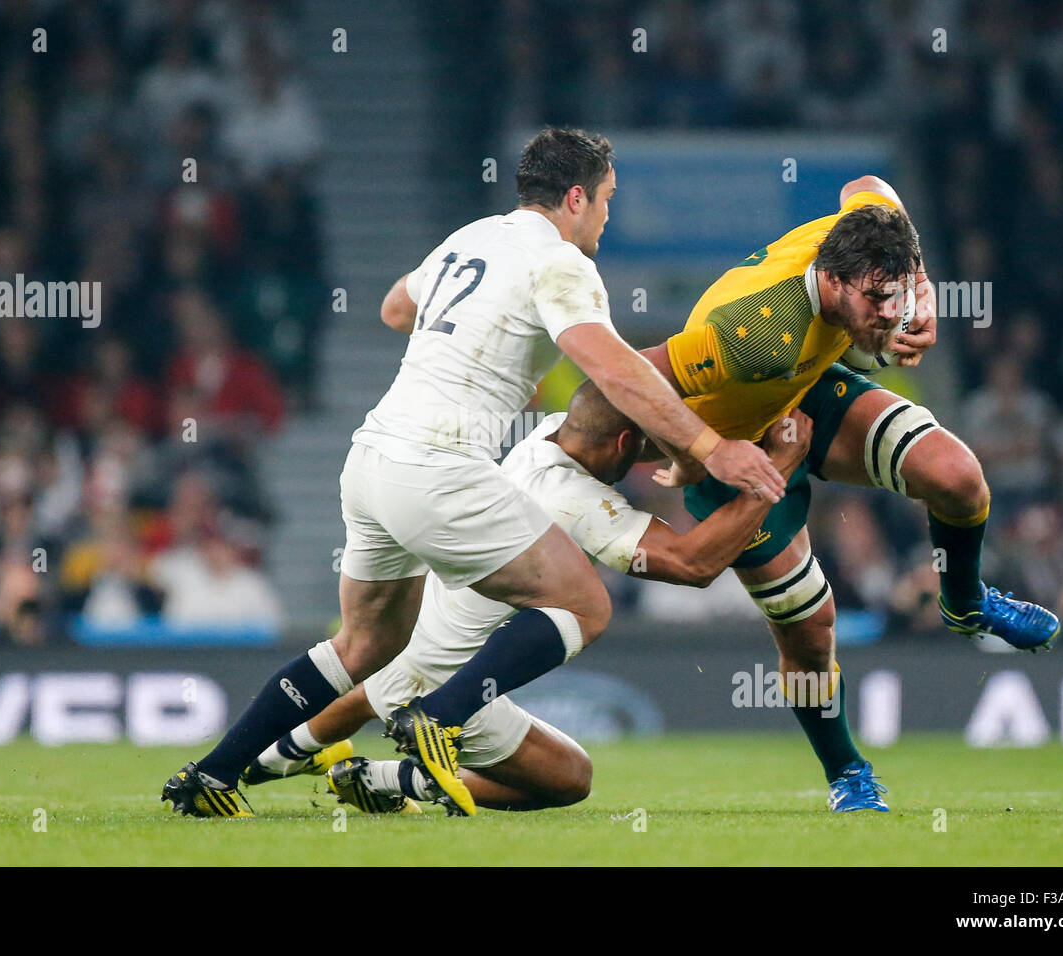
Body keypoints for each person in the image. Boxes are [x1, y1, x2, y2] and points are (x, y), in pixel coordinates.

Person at [162, 128, 786, 818]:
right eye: (607, 200)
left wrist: (483, 355)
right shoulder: (561, 263)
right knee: (585, 605)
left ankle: (213, 776)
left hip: (372, 457)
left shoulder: (471, 238)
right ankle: (442, 717)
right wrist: (709, 446)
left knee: (364, 643)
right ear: (576, 198)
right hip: (437, 462)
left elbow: (395, 308)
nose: (608, 216)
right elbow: (610, 367)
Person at [629, 175, 1061, 811]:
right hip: (730, 449)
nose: (891, 314)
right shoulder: (750, 329)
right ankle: (847, 775)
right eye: (877, 300)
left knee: (957, 475)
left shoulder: (866, 240)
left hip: (799, 391)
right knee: (809, 630)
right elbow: (637, 376)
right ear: (831, 283)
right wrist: (695, 450)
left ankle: (965, 602)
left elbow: (870, 185)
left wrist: (923, 292)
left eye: (894, 296)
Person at [241, 383, 812, 814]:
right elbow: (695, 564)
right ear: (622, 443)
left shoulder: (552, 432)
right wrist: (776, 468)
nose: (646, 460)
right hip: (445, 683)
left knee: (392, 679)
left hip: (422, 656)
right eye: (640, 449)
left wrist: (701, 450)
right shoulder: (578, 502)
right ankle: (394, 773)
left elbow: (615, 423)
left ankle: (313, 765)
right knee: (569, 779)